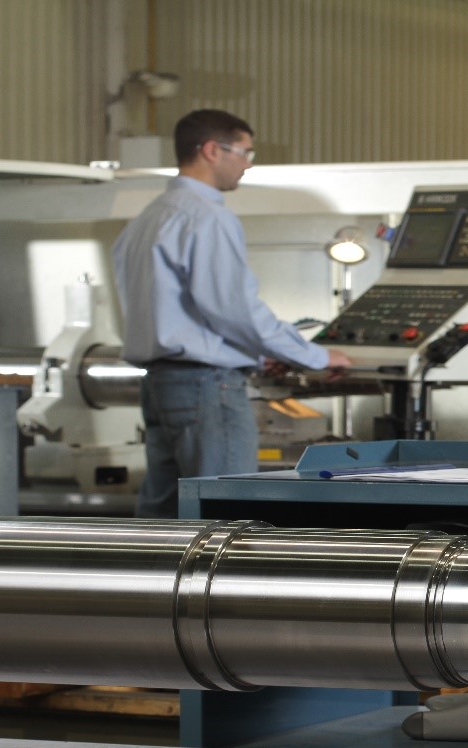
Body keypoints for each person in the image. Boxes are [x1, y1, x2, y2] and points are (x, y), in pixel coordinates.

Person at [113, 109, 352, 519]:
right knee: (222, 514)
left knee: (163, 517)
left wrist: (258, 355)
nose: (248, 164)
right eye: (245, 152)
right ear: (212, 150)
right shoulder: (207, 216)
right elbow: (233, 309)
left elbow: (179, 309)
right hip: (207, 386)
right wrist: (314, 355)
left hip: (161, 384)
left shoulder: (148, 218)